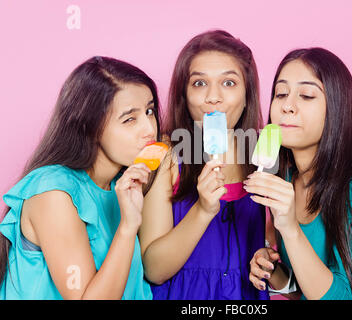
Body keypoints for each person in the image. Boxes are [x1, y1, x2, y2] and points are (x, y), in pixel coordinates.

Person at [246, 48, 352, 300]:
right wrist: (277, 276)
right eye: (281, 93)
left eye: (306, 95)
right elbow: (311, 290)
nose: (287, 106)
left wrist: (290, 230)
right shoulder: (286, 180)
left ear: (336, 109)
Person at [0, 56, 160, 299]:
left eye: (149, 111)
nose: (150, 128)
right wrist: (128, 228)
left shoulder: (122, 186)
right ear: (90, 127)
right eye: (130, 119)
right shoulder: (53, 193)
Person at [139, 30, 269, 299]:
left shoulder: (265, 156)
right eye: (199, 84)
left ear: (248, 95)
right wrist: (203, 209)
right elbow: (153, 269)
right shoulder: (165, 156)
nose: (213, 97)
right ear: (184, 96)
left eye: (229, 83)